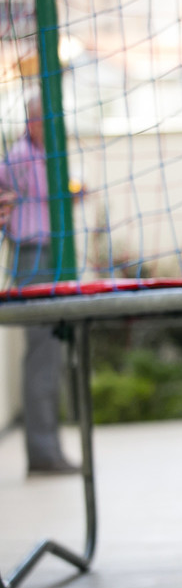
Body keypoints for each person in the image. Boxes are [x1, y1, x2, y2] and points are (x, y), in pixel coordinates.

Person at [0, 94, 81, 476]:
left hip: (52, 254)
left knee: (52, 354)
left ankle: (48, 448)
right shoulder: (19, 158)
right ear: (35, 123)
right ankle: (43, 452)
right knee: (42, 355)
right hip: (34, 257)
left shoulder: (46, 156)